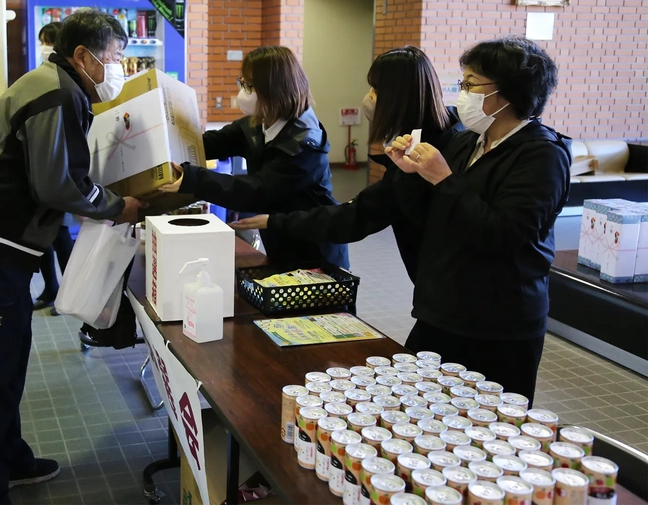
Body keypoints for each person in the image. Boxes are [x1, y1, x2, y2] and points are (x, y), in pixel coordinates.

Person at [245, 37, 570, 401]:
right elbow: (418, 217)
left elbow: (503, 235)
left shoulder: (541, 155)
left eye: (471, 84)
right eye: (461, 82)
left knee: (481, 429)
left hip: (498, 325)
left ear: (510, 91)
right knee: (421, 409)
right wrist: (404, 174)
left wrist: (441, 178)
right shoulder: (468, 144)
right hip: (443, 311)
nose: (461, 93)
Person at [0, 10, 146, 504]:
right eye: (114, 57)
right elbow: (55, 183)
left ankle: (9, 459)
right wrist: (116, 205)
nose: (117, 66)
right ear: (83, 56)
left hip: (0, 251)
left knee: (5, 360)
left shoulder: (59, 86)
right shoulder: (57, 92)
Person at [233, 46, 465, 283]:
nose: (369, 97)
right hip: (436, 285)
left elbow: (356, 216)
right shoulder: (438, 137)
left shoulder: (428, 156)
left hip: (452, 289)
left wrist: (276, 221)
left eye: (375, 89)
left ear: (397, 97)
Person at [162, 45, 349, 269]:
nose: (243, 93)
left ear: (274, 89)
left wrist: (195, 179)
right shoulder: (258, 123)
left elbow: (257, 191)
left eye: (249, 86)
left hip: (314, 250)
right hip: (280, 241)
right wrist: (166, 138)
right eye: (242, 83)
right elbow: (210, 144)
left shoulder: (304, 143)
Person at [32, 21, 73, 315]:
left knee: (59, 236)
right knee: (40, 236)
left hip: (61, 173)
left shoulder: (68, 86)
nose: (45, 47)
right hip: (38, 173)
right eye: (42, 42)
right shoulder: (37, 77)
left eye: (49, 42)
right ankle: (50, 288)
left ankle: (69, 292)